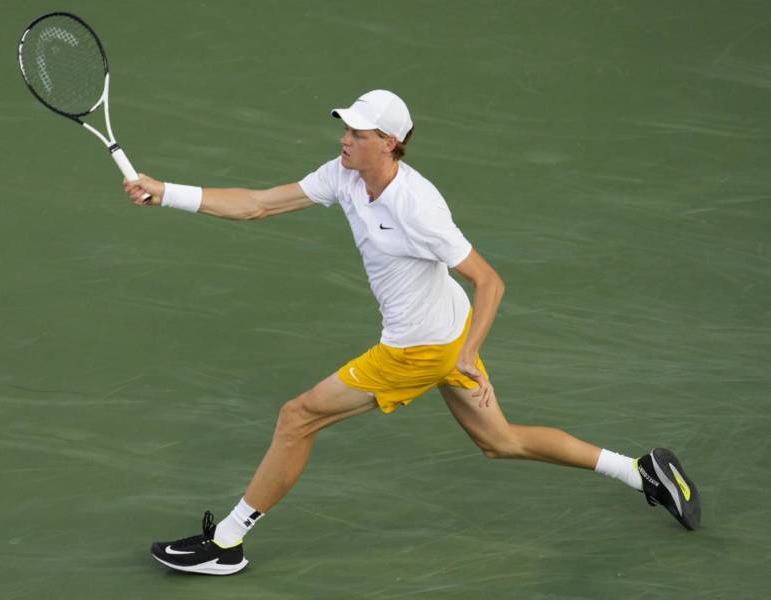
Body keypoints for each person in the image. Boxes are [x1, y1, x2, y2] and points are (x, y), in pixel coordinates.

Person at [123, 90, 701, 576]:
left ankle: (226, 542)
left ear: (389, 143)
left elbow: (490, 281)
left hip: (419, 348)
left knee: (298, 417)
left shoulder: (418, 207)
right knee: (500, 441)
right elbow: (257, 204)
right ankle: (639, 471)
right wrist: (167, 192)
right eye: (345, 129)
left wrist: (469, 355)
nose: (344, 139)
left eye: (358, 133)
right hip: (444, 329)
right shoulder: (344, 175)